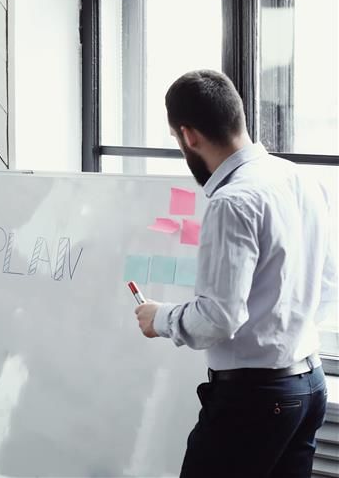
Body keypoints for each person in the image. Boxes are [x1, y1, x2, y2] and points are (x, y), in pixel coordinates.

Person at [134, 69, 335, 477]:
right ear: (237, 116)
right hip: (308, 385)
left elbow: (218, 318)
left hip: (254, 400)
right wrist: (282, 332)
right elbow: (329, 283)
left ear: (189, 136)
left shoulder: (232, 201)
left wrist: (160, 318)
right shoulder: (303, 180)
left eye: (177, 140)